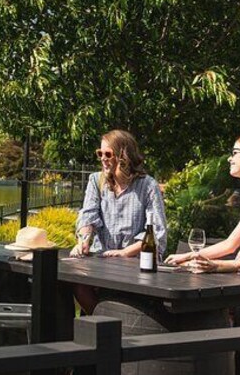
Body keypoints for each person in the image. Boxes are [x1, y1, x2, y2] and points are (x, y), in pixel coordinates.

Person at [166, 134, 240, 298]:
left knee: (198, 294)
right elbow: (230, 244)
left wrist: (215, 266)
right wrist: (189, 256)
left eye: (235, 152)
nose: (230, 158)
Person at [70, 130, 168, 313]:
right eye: (100, 154)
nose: (103, 159)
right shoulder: (96, 180)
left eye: (108, 154)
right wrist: (83, 240)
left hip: (134, 264)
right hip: (102, 259)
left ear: (124, 156)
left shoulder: (147, 185)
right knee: (75, 281)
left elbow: (155, 232)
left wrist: (124, 253)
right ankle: (102, 322)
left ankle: (116, 327)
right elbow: (88, 215)